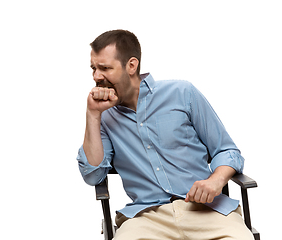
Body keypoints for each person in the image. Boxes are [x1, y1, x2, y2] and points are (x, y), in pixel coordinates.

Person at [77, 29, 254, 240]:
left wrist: (215, 181)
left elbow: (227, 151)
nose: (97, 76)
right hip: (146, 218)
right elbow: (93, 175)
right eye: (94, 68)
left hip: (206, 211)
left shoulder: (182, 93)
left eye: (105, 68)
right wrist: (93, 114)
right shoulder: (106, 117)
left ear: (131, 66)